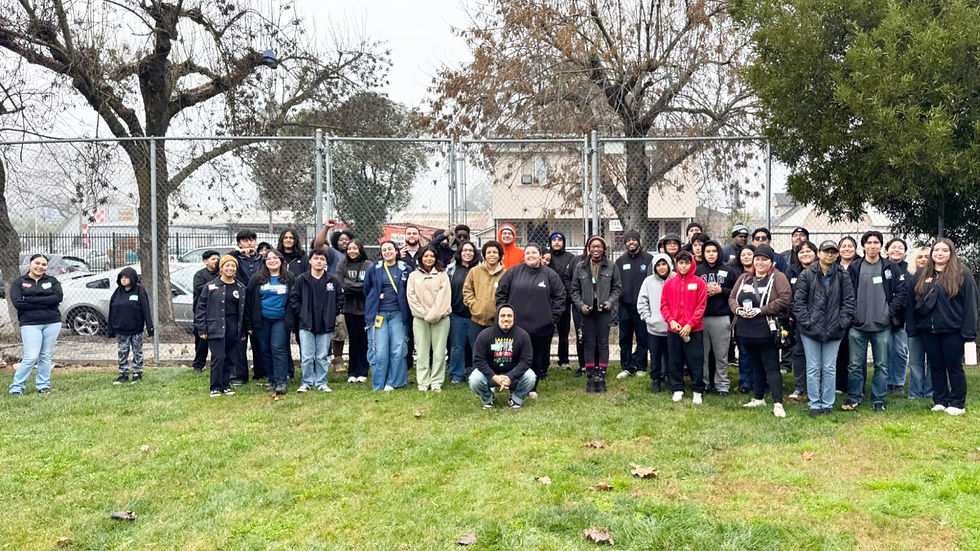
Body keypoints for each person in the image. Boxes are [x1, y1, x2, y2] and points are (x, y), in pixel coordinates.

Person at [906, 238, 978, 416]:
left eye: (944, 250)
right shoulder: (921, 274)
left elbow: (971, 304)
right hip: (928, 330)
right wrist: (913, 327)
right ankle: (940, 400)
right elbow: (910, 302)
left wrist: (968, 332)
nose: (940, 253)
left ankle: (957, 402)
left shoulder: (962, 274)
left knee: (953, 366)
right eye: (936, 250)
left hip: (953, 330)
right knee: (936, 366)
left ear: (951, 253)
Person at [842, 231, 907, 413]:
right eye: (869, 242)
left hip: (882, 326)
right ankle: (855, 397)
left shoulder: (890, 268)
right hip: (858, 326)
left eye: (876, 242)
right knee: (854, 365)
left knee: (882, 365)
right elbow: (846, 294)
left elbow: (901, 293)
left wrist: (888, 312)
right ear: (863, 246)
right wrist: (852, 315)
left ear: (880, 246)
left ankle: (879, 399)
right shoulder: (854, 267)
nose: (872, 246)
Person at [793, 240, 855, 417]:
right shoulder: (807, 275)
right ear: (819, 253)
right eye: (826, 251)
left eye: (833, 252)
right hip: (810, 330)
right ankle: (814, 403)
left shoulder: (843, 275)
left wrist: (841, 322)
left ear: (837, 255)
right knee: (813, 367)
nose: (830, 254)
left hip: (834, 330)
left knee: (829, 367)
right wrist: (808, 322)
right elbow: (799, 303)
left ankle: (827, 403)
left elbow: (849, 301)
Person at [729, 245, 792, 417]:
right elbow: (732, 298)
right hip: (745, 331)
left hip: (766, 331)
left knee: (771, 367)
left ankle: (778, 402)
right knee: (755, 365)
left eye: (764, 259)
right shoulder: (744, 278)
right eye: (757, 259)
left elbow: (785, 299)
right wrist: (738, 310)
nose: (760, 262)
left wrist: (761, 310)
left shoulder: (778, 277)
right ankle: (758, 398)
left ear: (771, 261)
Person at [495, 243, 565, 396]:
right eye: (527, 253)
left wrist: (552, 318)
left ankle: (532, 387)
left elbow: (560, 297)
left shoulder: (550, 275)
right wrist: (503, 314)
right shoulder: (513, 272)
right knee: (513, 357)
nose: (530, 256)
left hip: (541, 328)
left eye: (534, 253)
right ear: (524, 256)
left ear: (540, 255)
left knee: (536, 357)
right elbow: (501, 294)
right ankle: (512, 385)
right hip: (515, 327)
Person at [570, 235, 622, 393]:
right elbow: (574, 290)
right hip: (587, 312)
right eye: (593, 247)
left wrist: (610, 301)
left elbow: (617, 288)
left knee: (603, 343)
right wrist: (580, 305)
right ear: (588, 249)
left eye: (599, 246)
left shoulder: (611, 267)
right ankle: (591, 378)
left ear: (604, 249)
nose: (596, 249)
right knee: (589, 343)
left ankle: (602, 377)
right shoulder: (580, 267)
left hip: (603, 311)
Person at [289, 248, 344, 393]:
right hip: (306, 324)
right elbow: (294, 299)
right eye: (316, 258)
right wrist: (301, 314)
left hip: (325, 324)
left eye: (322, 259)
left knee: (322, 356)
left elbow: (340, 300)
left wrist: (332, 314)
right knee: (307, 356)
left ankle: (321, 382)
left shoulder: (333, 281)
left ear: (326, 262)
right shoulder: (301, 279)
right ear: (310, 261)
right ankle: (306, 382)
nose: (319, 261)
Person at [8, 254, 63, 396]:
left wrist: (30, 299)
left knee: (45, 355)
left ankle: (43, 386)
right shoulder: (19, 282)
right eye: (37, 263)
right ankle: (16, 387)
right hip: (30, 324)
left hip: (52, 322)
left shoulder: (52, 281)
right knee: (31, 356)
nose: (40, 267)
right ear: (30, 264)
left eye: (44, 264)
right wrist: (46, 300)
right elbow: (18, 303)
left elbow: (58, 297)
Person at [195, 255, 246, 397]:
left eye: (233, 266)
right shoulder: (211, 286)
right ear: (221, 268)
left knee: (231, 357)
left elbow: (244, 310)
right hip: (216, 326)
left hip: (233, 327)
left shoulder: (241, 287)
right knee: (219, 357)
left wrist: (243, 330)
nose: (230, 268)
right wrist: (202, 328)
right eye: (227, 265)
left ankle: (225, 384)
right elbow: (201, 308)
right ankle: (215, 386)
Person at [363, 241, 412, 391]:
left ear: (396, 251)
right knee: (380, 350)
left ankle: (394, 382)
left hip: (398, 314)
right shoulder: (374, 268)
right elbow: (367, 289)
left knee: (397, 348)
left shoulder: (406, 269)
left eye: (390, 249)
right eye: (384, 250)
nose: (387, 252)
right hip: (379, 315)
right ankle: (379, 383)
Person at [660, 251, 707, 404]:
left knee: (695, 360)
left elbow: (701, 307)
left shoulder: (699, 283)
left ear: (691, 264)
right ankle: (677, 388)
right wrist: (671, 321)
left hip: (693, 330)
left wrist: (690, 324)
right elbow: (664, 305)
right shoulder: (669, 283)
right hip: (674, 329)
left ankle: (697, 390)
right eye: (681, 263)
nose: (683, 266)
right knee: (675, 360)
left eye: (686, 263)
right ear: (677, 264)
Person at [245, 250, 294, 395]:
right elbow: (249, 301)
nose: (272, 260)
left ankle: (281, 381)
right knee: (265, 350)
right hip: (262, 320)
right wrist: (249, 323)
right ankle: (272, 380)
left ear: (281, 260)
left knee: (278, 348)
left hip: (281, 320)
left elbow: (294, 299)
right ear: (264, 262)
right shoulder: (257, 279)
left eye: (275, 258)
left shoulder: (289, 278)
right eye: (269, 258)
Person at [469, 304, 536, 409]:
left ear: (514, 318)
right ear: (497, 318)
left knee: (530, 377)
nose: (506, 319)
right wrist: (494, 377)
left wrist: (510, 377)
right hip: (492, 375)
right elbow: (479, 360)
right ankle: (488, 399)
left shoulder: (523, 335)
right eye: (503, 315)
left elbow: (526, 361)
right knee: (474, 379)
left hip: (513, 376)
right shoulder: (485, 335)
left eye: (509, 316)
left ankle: (516, 398)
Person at [407, 246, 452, 392]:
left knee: (439, 352)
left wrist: (433, 315)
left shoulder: (442, 275)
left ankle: (436, 382)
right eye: (426, 256)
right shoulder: (414, 276)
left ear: (436, 258)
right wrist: (425, 314)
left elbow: (444, 298)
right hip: (420, 319)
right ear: (420, 257)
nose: (428, 259)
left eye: (431, 256)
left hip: (441, 319)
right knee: (422, 351)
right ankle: (423, 382)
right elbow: (411, 298)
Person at [697, 240, 735, 396]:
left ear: (719, 252)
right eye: (707, 251)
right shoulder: (697, 271)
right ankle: (704, 383)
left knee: (721, 355)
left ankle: (722, 385)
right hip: (701, 318)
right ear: (703, 254)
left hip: (721, 317)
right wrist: (702, 292)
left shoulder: (728, 270)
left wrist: (721, 290)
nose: (711, 254)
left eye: (714, 251)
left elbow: (734, 292)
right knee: (703, 355)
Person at [615, 229, 654, 379]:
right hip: (625, 306)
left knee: (642, 337)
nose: (631, 242)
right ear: (625, 243)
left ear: (639, 241)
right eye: (628, 240)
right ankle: (626, 367)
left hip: (642, 307)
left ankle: (641, 366)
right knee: (624, 338)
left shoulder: (649, 259)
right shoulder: (620, 261)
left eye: (634, 239)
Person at [106, 266, 154, 384]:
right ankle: (123, 374)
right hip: (121, 329)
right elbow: (112, 310)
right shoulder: (117, 292)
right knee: (122, 351)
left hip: (136, 329)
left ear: (132, 278)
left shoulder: (139, 290)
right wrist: (110, 328)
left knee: (137, 351)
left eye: (126, 278)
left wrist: (149, 327)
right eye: (122, 278)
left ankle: (137, 373)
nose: (124, 280)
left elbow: (145, 309)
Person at [785, 241, 818, 401]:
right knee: (798, 353)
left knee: (819, 355)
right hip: (798, 320)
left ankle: (818, 386)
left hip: (820, 321)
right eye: (801, 252)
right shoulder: (791, 272)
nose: (805, 254)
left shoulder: (822, 270)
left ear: (815, 253)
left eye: (808, 251)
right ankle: (800, 387)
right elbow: (788, 295)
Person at [230, 229, 265, 383]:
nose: (249, 243)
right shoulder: (234, 258)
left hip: (258, 302)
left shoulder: (261, 259)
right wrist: (238, 253)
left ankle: (261, 372)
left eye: (251, 240)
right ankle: (239, 375)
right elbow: (222, 263)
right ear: (239, 243)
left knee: (259, 339)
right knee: (240, 339)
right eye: (245, 240)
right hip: (239, 303)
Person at [637, 253, 674, 392]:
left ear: (669, 264)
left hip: (673, 328)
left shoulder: (676, 278)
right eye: (658, 265)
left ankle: (671, 379)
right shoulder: (648, 281)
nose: (662, 267)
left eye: (664, 264)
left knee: (672, 356)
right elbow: (642, 302)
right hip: (654, 328)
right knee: (655, 356)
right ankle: (656, 380)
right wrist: (648, 318)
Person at [463, 241, 507, 353]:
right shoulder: (474, 271)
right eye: (489, 252)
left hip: (495, 321)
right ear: (484, 255)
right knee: (477, 350)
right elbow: (467, 290)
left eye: (495, 252)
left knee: (494, 350)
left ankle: (494, 371)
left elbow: (508, 294)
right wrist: (474, 305)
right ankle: (477, 370)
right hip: (476, 320)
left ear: (499, 255)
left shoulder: (506, 274)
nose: (492, 255)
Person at [447, 242, 480, 383]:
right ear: (460, 253)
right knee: (456, 346)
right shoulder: (451, 269)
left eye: (471, 251)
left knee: (477, 346)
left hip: (475, 315)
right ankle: (456, 374)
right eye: (465, 250)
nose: (468, 253)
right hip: (456, 314)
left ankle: (478, 373)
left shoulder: (480, 269)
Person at [339, 239, 370, 383]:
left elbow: (369, 286)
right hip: (349, 309)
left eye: (355, 248)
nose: (352, 251)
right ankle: (352, 371)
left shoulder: (368, 265)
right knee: (352, 340)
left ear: (360, 249)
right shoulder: (342, 265)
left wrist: (351, 285)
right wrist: (359, 286)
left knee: (364, 341)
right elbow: (341, 284)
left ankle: (363, 371)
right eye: (349, 248)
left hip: (365, 310)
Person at [729, 244, 757, 394]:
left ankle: (760, 382)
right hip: (741, 319)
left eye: (749, 254)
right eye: (743, 254)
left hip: (760, 319)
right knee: (744, 353)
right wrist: (738, 309)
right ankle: (745, 382)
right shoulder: (738, 275)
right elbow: (732, 296)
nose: (746, 257)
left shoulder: (763, 274)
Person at [906, 246, 933, 401]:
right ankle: (915, 393)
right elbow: (908, 305)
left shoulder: (939, 277)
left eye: (926, 256)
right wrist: (910, 327)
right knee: (915, 362)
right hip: (914, 327)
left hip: (931, 328)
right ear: (915, 260)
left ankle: (930, 391)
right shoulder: (911, 278)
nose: (923, 259)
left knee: (933, 362)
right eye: (920, 257)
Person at [834, 235, 860, 394]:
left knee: (855, 356)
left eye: (850, 246)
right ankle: (839, 385)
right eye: (843, 246)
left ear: (856, 249)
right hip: (837, 316)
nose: (846, 249)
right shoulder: (832, 266)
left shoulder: (861, 266)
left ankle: (856, 388)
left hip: (857, 316)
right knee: (839, 352)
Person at [884, 237, 910, 396]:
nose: (896, 250)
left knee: (900, 351)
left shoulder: (908, 273)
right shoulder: (881, 268)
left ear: (905, 252)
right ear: (886, 250)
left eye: (900, 248)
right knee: (885, 351)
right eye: (893, 247)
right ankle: (887, 382)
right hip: (883, 317)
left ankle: (898, 383)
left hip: (902, 320)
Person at [548, 232, 576, 371]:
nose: (557, 242)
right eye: (554, 240)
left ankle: (564, 360)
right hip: (547, 301)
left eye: (560, 240)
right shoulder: (547, 257)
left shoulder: (571, 258)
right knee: (546, 332)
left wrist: (569, 295)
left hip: (564, 300)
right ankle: (544, 362)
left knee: (564, 333)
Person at [191, 250, 220, 373]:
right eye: (213, 259)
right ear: (205, 262)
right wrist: (215, 283)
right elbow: (200, 288)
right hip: (203, 312)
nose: (217, 261)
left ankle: (217, 365)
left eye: (218, 259)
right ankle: (198, 365)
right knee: (201, 341)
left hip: (218, 311)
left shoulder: (222, 273)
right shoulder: (199, 275)